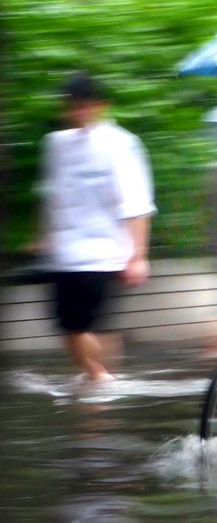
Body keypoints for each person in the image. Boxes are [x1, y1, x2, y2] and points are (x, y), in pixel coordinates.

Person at [39, 71, 157, 381]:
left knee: (85, 325)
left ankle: (100, 380)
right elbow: (51, 194)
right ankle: (101, 379)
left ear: (100, 105)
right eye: (72, 105)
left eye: (84, 104)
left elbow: (137, 202)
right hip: (64, 254)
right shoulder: (55, 145)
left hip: (105, 253)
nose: (77, 111)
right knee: (70, 327)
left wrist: (138, 255)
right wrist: (43, 236)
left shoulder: (121, 144)